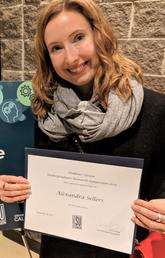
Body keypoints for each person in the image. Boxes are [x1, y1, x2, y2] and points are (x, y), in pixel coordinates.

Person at [0, 0, 165, 257]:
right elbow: (23, 180)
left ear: (100, 35)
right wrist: (8, 187)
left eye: (78, 37)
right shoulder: (41, 113)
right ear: (47, 57)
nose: (71, 57)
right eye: (56, 48)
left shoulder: (154, 110)